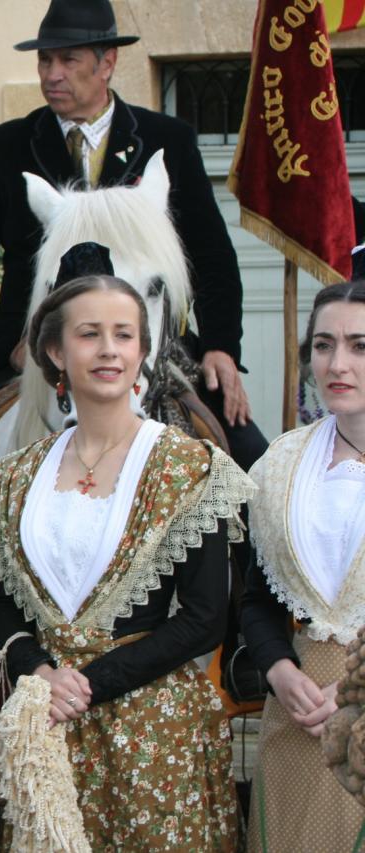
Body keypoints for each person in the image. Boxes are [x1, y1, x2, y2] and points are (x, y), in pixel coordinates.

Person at [0, 275, 251, 849]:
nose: (109, 349)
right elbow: (5, 611)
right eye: (89, 334)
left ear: (142, 351)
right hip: (46, 730)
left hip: (151, 728)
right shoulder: (13, 477)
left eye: (124, 335)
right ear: (55, 351)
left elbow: (206, 618)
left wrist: (88, 684)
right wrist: (42, 675)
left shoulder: (187, 465)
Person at [0, 0, 265, 470]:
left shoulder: (166, 139)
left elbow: (212, 256)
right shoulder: (7, 146)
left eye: (68, 60)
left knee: (251, 456)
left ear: (107, 63)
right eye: (45, 60)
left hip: (153, 349)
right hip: (24, 349)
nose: (52, 74)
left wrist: (221, 347)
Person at [241, 281, 365, 849]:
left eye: (360, 345)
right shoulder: (283, 464)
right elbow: (258, 597)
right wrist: (278, 669)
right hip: (298, 712)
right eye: (323, 344)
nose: (337, 364)